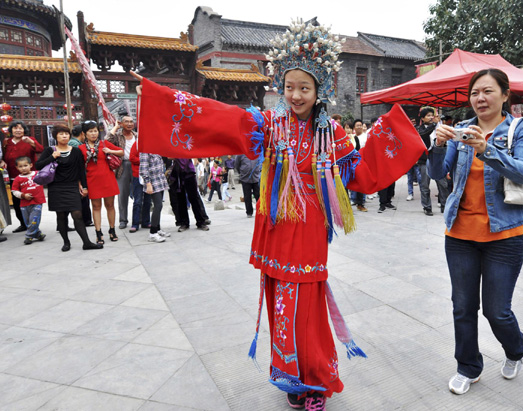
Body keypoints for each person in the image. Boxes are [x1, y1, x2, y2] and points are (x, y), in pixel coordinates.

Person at [131, 19, 424, 409]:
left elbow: (364, 174)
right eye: (289, 87)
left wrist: (406, 134)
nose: (296, 95)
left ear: (321, 89)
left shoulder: (332, 133)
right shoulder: (269, 125)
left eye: (304, 87)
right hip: (275, 229)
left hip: (308, 234)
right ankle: (291, 378)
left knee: (305, 308)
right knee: (281, 304)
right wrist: (158, 100)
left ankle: (316, 382)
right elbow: (216, 117)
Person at [429, 68, 523, 395]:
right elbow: (439, 173)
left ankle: (516, 349)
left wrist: (485, 149)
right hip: (460, 235)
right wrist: (436, 145)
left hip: (504, 236)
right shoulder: (461, 129)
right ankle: (468, 365)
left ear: (505, 95)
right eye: (475, 92)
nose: (480, 98)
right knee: (462, 306)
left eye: (488, 91)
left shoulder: (520, 128)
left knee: (496, 310)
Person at [35, 123, 102, 251]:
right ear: (56, 136)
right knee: (61, 216)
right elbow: (38, 165)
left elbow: (81, 170)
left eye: (66, 134)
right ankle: (66, 242)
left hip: (71, 186)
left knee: (77, 214)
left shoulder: (76, 151)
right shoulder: (50, 150)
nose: (64, 136)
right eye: (61, 134)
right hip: (56, 187)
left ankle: (86, 242)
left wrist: (85, 187)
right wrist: (52, 157)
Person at [79, 120, 124, 244]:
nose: (94, 134)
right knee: (96, 206)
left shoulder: (104, 143)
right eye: (90, 131)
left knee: (110, 205)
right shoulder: (80, 149)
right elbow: (79, 168)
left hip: (107, 179)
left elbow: (121, 152)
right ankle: (98, 233)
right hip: (92, 181)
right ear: (84, 133)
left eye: (95, 131)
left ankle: (112, 230)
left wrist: (110, 151)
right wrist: (81, 185)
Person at [2, 120, 44, 232]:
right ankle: (23, 224)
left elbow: (41, 149)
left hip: (30, 177)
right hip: (14, 177)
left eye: (20, 128)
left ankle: (33, 225)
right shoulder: (7, 142)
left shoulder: (30, 140)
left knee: (31, 201)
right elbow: (4, 156)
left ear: (24, 130)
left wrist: (31, 142)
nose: (18, 130)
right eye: (15, 128)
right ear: (11, 130)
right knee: (17, 203)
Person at [416, 107, 449, 216]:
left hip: (438, 159)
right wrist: (434, 124)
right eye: (428, 116)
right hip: (425, 159)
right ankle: (427, 207)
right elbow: (424, 134)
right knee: (425, 185)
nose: (431, 118)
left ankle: (445, 205)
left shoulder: (439, 127)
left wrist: (438, 124)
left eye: (432, 115)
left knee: (443, 184)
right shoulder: (419, 129)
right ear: (422, 118)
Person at [107, 115, 137, 229]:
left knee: (138, 194)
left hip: (136, 165)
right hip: (122, 166)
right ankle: (123, 220)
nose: (129, 124)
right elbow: (107, 139)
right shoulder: (117, 136)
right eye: (126, 122)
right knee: (122, 195)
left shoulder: (137, 136)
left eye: (131, 121)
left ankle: (138, 218)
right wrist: (115, 127)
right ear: (122, 124)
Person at [11, 156, 46, 244]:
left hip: (37, 202)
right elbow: (14, 191)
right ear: (17, 168)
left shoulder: (38, 174)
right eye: (20, 166)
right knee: (28, 222)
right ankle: (38, 234)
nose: (23, 168)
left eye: (25, 165)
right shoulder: (17, 179)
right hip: (24, 204)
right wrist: (23, 195)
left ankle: (29, 236)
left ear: (31, 165)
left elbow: (47, 176)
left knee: (34, 220)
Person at [171, 158, 210, 232]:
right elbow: (169, 156)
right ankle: (184, 223)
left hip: (189, 172)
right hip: (178, 174)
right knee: (181, 200)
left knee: (194, 198)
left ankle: (201, 222)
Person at [139, 150, 170, 242]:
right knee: (158, 205)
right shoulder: (145, 151)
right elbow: (143, 169)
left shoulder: (156, 148)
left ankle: (157, 228)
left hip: (160, 180)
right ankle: (153, 233)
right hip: (153, 182)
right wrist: (148, 183)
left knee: (160, 205)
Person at [67, 124, 93, 226]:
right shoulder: (75, 144)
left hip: (76, 176)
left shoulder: (75, 142)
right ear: (83, 133)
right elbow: (76, 164)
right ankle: (85, 221)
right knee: (82, 199)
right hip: (77, 177)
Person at [352, 119, 368, 212]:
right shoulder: (353, 137)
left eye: (360, 125)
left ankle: (361, 203)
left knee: (361, 183)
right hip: (353, 163)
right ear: (354, 127)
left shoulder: (366, 137)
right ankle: (355, 200)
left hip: (362, 162)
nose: (359, 127)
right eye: (357, 125)